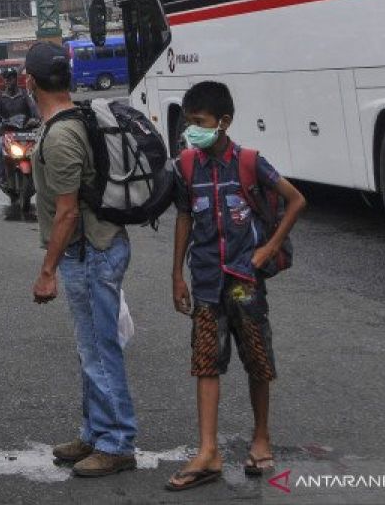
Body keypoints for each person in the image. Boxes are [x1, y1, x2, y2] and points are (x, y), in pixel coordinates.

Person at [165, 80, 306, 492]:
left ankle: (261, 438)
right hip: (206, 283)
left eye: (199, 122)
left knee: (257, 360)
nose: (191, 130)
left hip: (246, 282)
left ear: (223, 122)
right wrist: (177, 275)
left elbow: (296, 200)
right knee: (206, 361)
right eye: (189, 123)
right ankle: (207, 450)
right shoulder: (187, 167)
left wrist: (269, 248)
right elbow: (185, 219)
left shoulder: (249, 162)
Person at [25, 42, 136, 478]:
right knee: (90, 348)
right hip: (95, 249)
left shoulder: (62, 133)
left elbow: (68, 212)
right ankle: (94, 432)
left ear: (30, 82)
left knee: (100, 352)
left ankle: (117, 442)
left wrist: (47, 271)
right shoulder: (74, 119)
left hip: (90, 253)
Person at [0, 68, 40, 180]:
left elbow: (34, 109)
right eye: (6, 79)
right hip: (7, 133)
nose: (8, 81)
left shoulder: (25, 95)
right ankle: (1, 173)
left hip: (26, 133)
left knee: (41, 147)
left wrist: (38, 118)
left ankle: (41, 174)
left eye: (10, 78)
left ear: (16, 79)